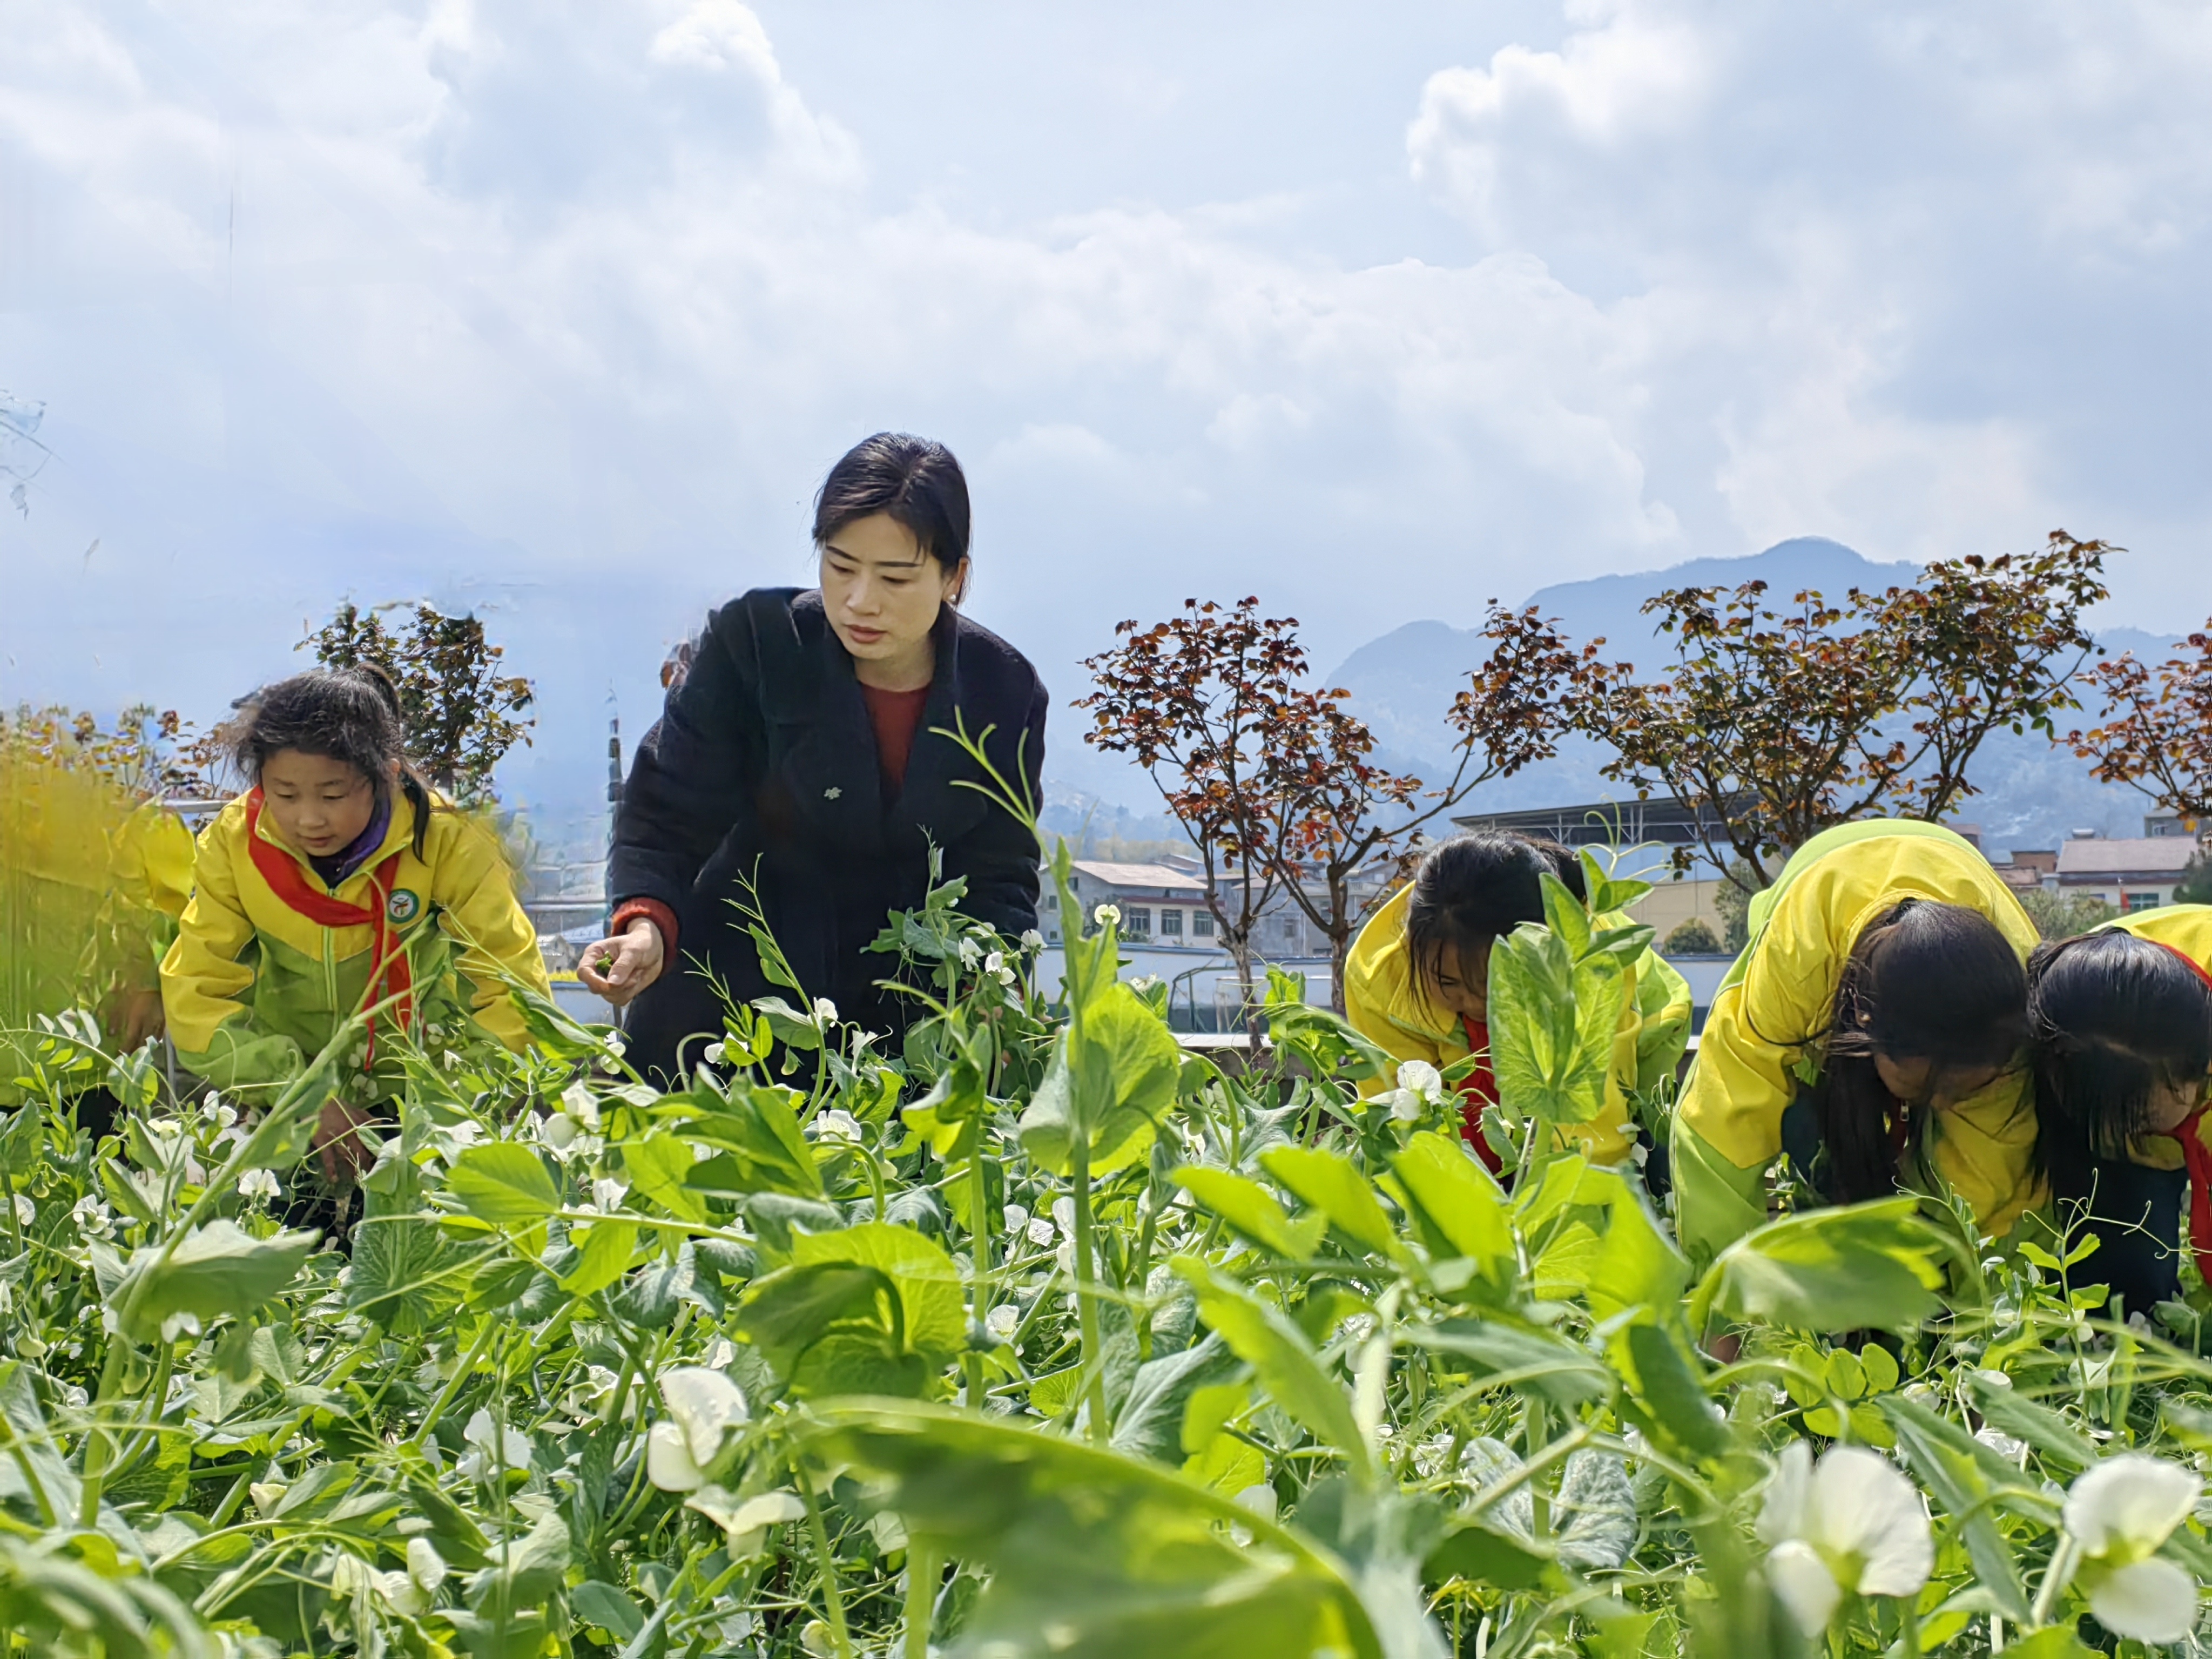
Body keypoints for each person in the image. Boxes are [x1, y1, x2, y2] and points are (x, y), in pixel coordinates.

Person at [583, 433, 1047, 1080]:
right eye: (840, 565)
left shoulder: (1003, 689)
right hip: (729, 1007)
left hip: (902, 1023)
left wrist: (989, 982)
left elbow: (999, 866)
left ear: (955, 579)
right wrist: (646, 924)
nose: (860, 600)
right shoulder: (755, 645)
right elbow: (668, 811)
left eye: (895, 577)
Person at [161, 667, 550, 1184]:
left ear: (385, 774)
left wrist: (448, 1117)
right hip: (289, 1102)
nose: (309, 819)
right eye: (285, 794)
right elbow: (197, 992)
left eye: (332, 794)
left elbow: (511, 988)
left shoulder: (448, 841)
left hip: (425, 1100)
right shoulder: (233, 845)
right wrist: (301, 1097)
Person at [1670, 818, 2040, 1271]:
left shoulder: (2014, 987)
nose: (1944, 1106)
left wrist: (1985, 1318)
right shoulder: (1797, 961)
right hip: (1819, 885)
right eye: (1923, 1088)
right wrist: (1725, 1291)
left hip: (1955, 877)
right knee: (1812, 1133)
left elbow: (2005, 1184)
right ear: (1864, 1023)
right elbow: (1721, 1129)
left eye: (1963, 1090)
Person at [1343, 832, 1692, 1170]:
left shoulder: (1589, 965)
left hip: (1645, 1026)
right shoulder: (1378, 977)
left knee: (1643, 1153)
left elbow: (1593, 1132)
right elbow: (1394, 1115)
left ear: (1540, 954)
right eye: (1449, 983)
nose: (1477, 1004)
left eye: (1494, 984)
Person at [2028, 907, 2212, 1318]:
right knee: (2126, 1268)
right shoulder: (2078, 1015)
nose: (2133, 1138)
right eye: (2121, 1126)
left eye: (2142, 1122)